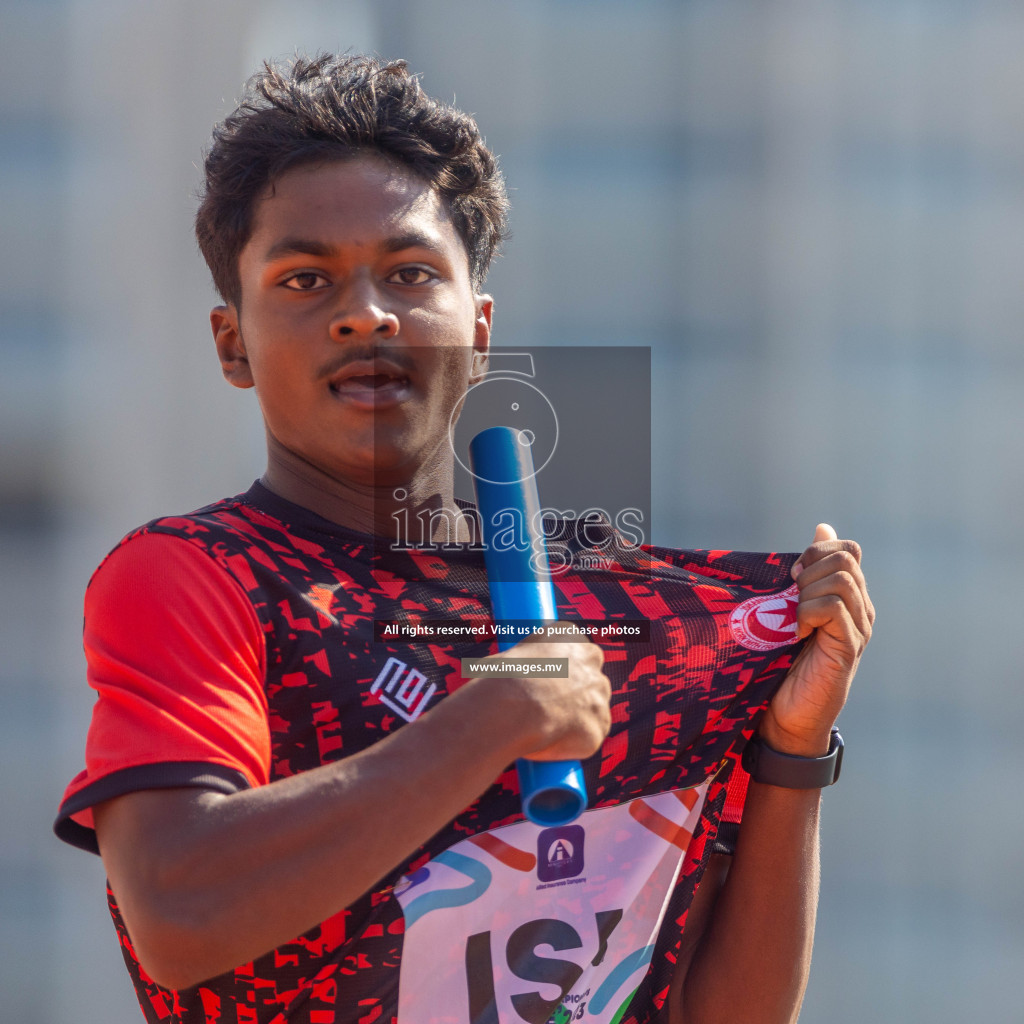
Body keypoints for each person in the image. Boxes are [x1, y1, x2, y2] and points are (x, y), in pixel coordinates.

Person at [55, 55, 873, 1024]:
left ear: (478, 329)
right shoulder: (196, 578)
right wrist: (490, 719)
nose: (364, 311)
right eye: (307, 277)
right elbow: (183, 911)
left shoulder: (615, 618)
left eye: (408, 272)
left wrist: (789, 749)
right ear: (233, 341)